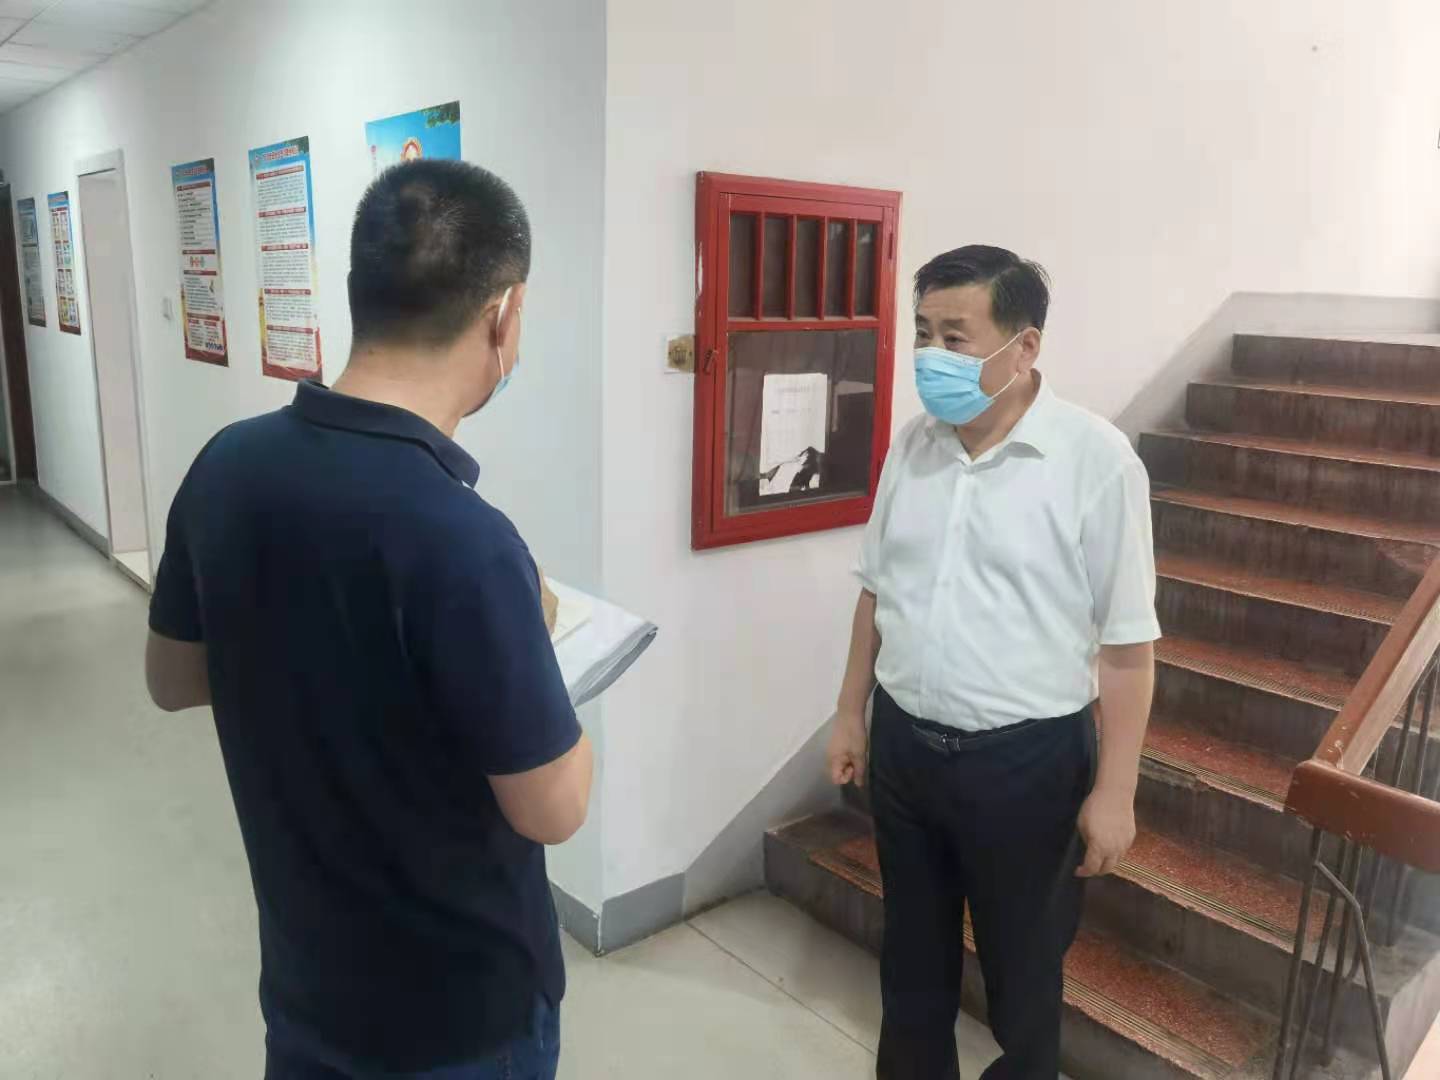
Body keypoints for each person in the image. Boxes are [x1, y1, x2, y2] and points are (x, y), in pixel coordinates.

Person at [145, 160, 593, 1080]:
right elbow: (555, 808)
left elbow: (172, 679)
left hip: (309, 988)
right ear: (503, 314)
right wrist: (535, 644)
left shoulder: (228, 465)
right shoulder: (465, 541)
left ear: (359, 292)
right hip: (460, 1020)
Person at [827, 245, 1159, 1079]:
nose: (931, 357)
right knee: (911, 963)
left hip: (1027, 767)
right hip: (906, 749)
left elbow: (1127, 648)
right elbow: (876, 589)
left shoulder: (1096, 461)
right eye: (924, 333)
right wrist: (848, 712)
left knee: (1024, 972)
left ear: (1025, 346)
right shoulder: (914, 445)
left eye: (956, 337)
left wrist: (1116, 791)